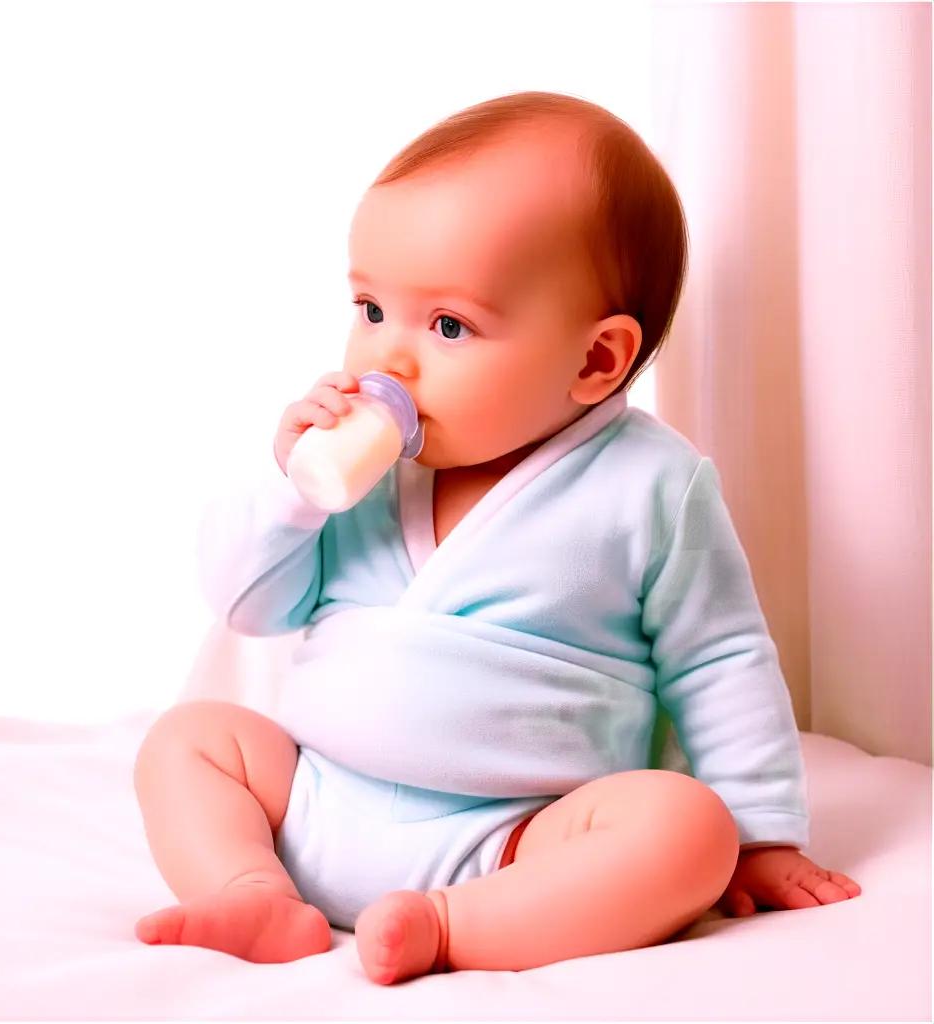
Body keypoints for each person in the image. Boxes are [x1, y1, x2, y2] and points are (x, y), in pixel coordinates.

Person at [132, 91, 861, 985]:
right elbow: (252, 608)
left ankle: (446, 927)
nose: (385, 362)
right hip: (315, 801)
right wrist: (290, 492)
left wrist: (761, 832)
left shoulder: (650, 485)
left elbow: (719, 659)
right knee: (189, 741)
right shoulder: (356, 472)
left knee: (687, 830)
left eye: (447, 326)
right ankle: (252, 888)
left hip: (513, 840)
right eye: (369, 309)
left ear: (596, 361)